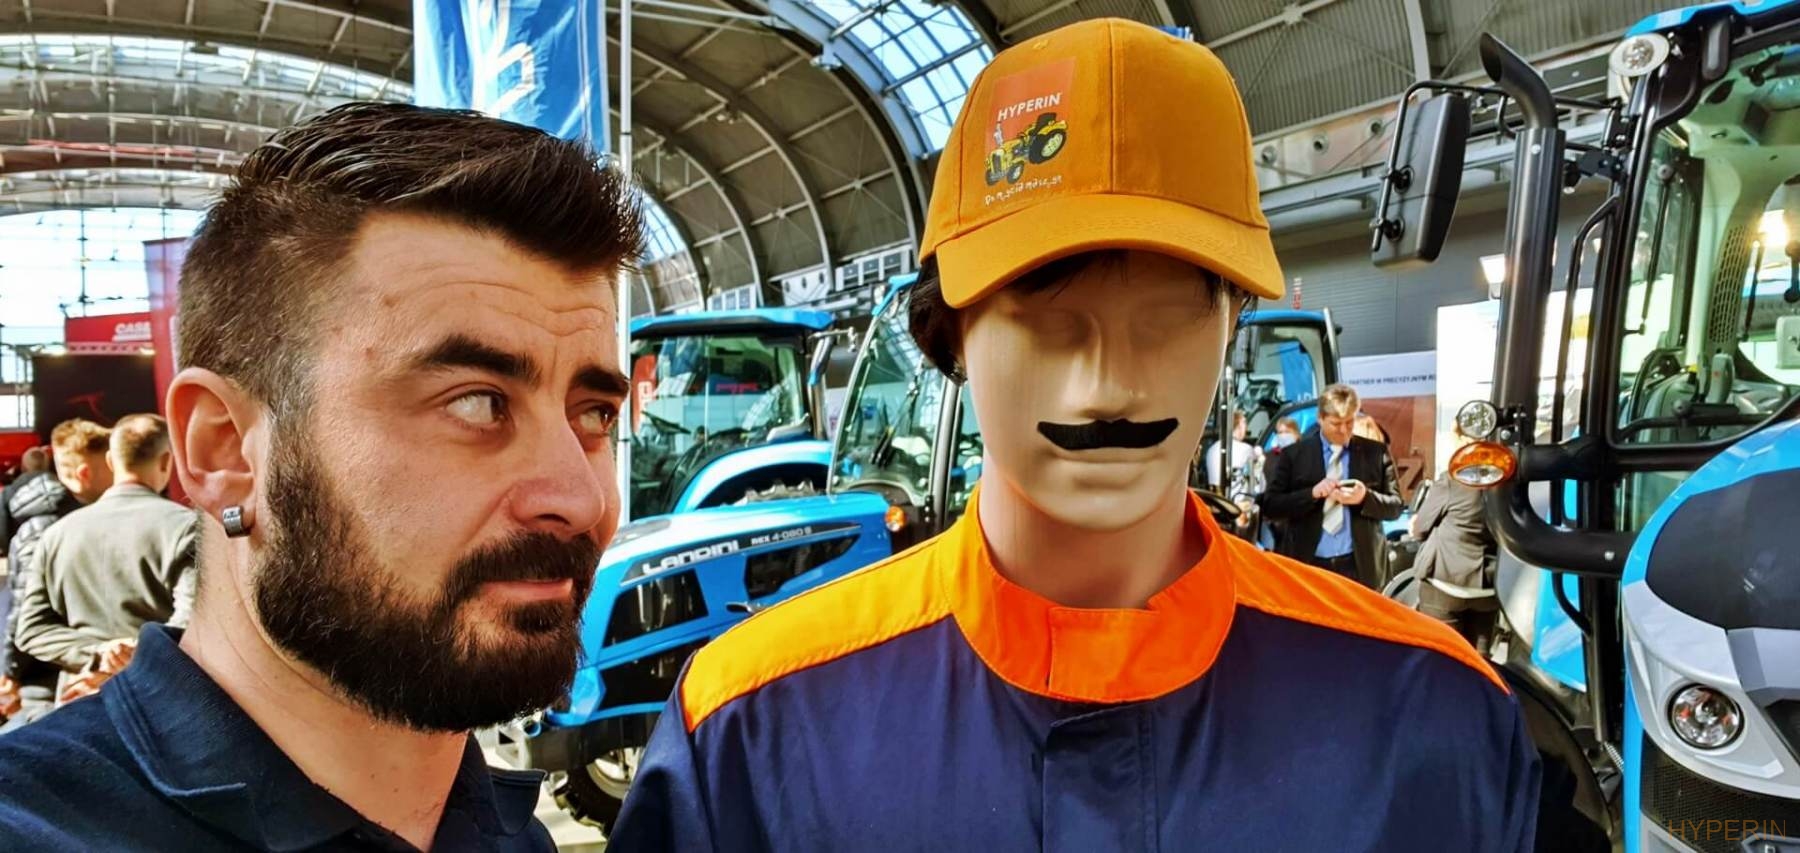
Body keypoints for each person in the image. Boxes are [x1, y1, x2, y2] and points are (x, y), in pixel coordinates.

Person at [613, 20, 1537, 851]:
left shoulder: (1432, 721)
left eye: (1170, 315)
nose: (1109, 386)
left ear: (1230, 326)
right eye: (1049, 320)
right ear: (953, 334)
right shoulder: (751, 733)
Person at [0, 103, 642, 851]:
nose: (581, 498)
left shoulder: (510, 836)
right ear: (225, 451)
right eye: (475, 402)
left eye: (593, 414)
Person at [11, 414, 198, 713]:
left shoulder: (55, 535)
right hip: (161, 704)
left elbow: (31, 629)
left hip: (80, 703)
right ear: (166, 461)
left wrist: (100, 653)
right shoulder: (187, 527)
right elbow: (196, 622)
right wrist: (135, 657)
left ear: (111, 461)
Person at [0, 420, 108, 724]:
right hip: (74, 668)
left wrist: (11, 670)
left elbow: (22, 607)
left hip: (56, 669)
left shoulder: (27, 521)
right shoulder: (70, 523)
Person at [1264, 384, 1405, 588]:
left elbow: (1396, 507)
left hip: (1360, 567)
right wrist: (1311, 494)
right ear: (1320, 418)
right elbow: (1271, 506)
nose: (1343, 430)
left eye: (1349, 422)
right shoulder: (1295, 456)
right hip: (1310, 564)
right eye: (1336, 424)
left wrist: (1365, 498)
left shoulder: (1375, 453)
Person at [1412, 423, 1502, 649]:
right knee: (1480, 659)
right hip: (1489, 585)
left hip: (1445, 582)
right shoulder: (1507, 482)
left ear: (1463, 441)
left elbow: (1420, 528)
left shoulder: (1452, 480)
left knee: (1441, 656)